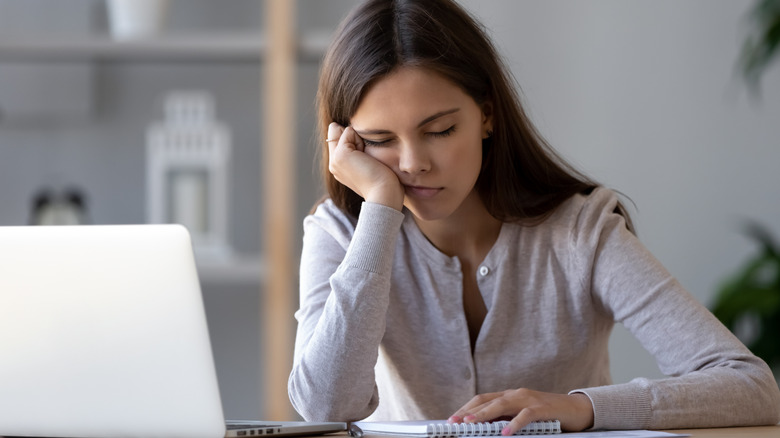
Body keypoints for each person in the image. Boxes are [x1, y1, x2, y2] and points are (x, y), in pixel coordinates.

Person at [287, 0, 780, 433]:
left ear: (486, 114)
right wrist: (379, 211)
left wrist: (581, 407)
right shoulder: (341, 233)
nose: (413, 162)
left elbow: (750, 385)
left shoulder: (581, 232)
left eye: (439, 130)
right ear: (346, 144)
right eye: (380, 141)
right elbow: (327, 406)